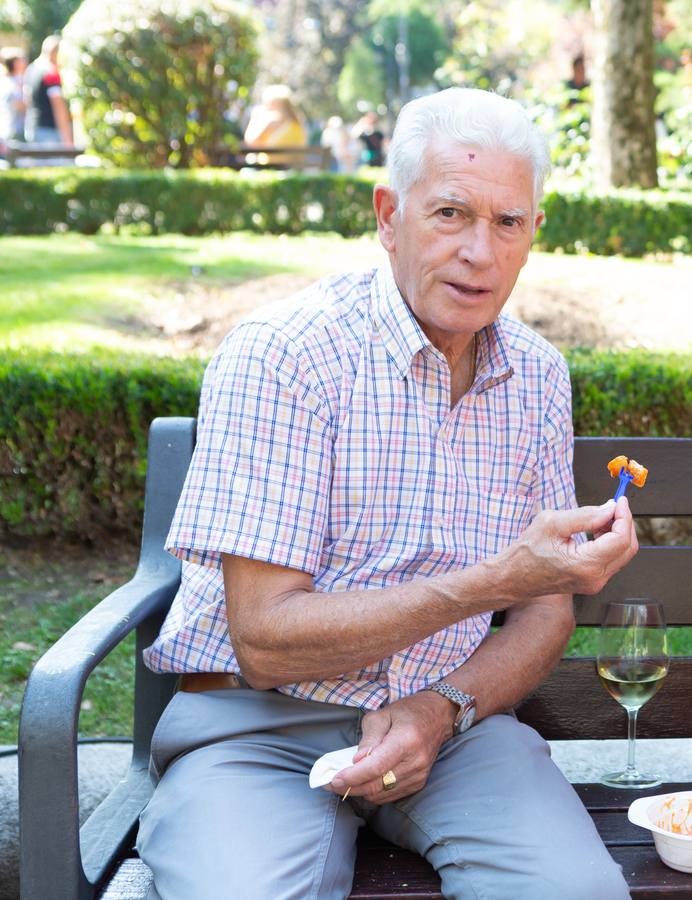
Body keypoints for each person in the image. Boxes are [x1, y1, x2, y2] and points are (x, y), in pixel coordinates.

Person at [136, 87, 638, 899]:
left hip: (454, 729)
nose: (481, 250)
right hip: (259, 726)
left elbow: (546, 614)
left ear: (534, 233)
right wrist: (495, 582)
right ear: (388, 215)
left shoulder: (539, 376)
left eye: (508, 222)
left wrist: (442, 709)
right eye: (451, 214)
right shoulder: (285, 356)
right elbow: (264, 640)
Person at [23, 35, 72, 145]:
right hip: (49, 131)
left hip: (33, 127)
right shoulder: (51, 73)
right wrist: (67, 139)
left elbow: (27, 99)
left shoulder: (31, 69)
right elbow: (58, 106)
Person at [2, 47, 26, 144]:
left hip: (17, 129)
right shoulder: (11, 83)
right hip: (14, 129)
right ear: (15, 63)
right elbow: (20, 105)